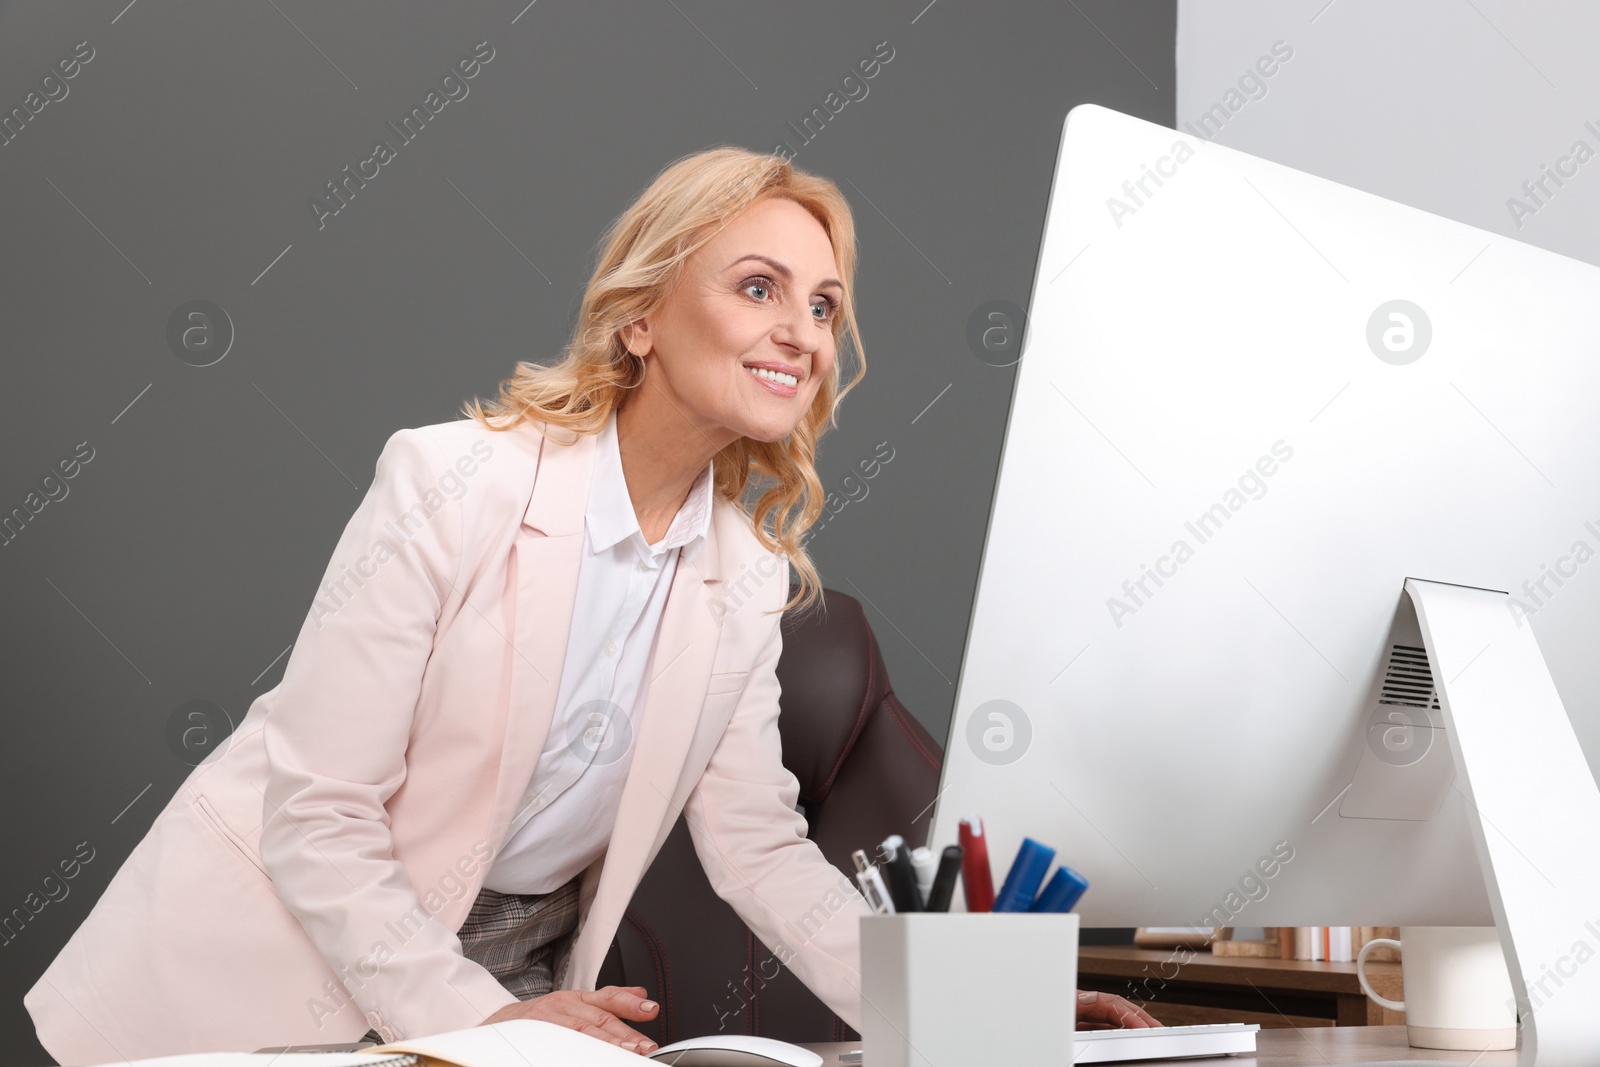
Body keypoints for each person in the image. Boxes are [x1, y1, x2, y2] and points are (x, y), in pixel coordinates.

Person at [25, 147, 1159, 1064]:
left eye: (822, 304)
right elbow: (317, 813)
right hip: (272, 954)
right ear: (641, 317)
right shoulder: (450, 481)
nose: (802, 332)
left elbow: (760, 850)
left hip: (517, 968)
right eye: (757, 287)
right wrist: (466, 1011)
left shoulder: (743, 572)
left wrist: (983, 1012)